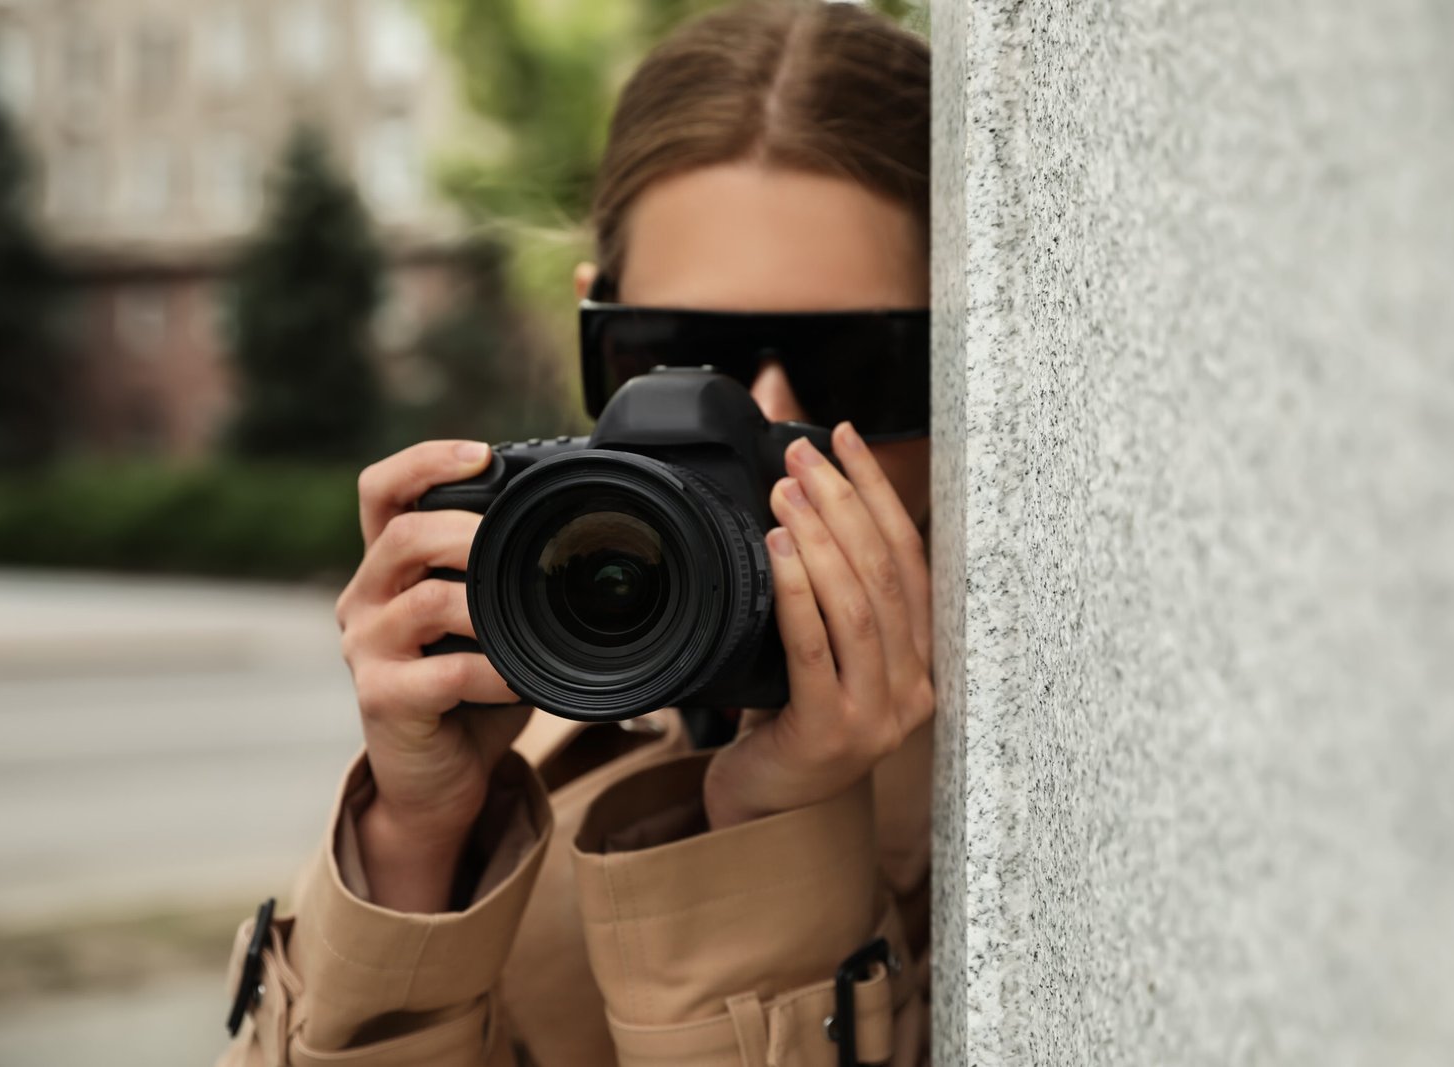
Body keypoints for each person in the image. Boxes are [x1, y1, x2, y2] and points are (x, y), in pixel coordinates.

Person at [219, 2, 933, 1063]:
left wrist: (772, 826)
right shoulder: (530, 751)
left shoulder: (1007, 794)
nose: (763, 421)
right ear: (598, 333)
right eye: (681, 351)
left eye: (853, 369)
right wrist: (415, 844)